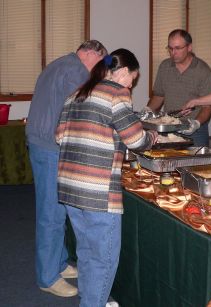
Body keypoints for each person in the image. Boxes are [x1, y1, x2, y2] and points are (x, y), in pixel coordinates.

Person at [56, 49, 157, 307]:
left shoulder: (77, 93)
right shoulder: (117, 93)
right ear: (122, 72)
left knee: (86, 251)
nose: (131, 85)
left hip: (70, 186)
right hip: (98, 190)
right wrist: (151, 138)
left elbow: (59, 136)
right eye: (132, 79)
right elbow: (135, 140)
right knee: (104, 257)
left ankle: (90, 299)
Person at [26, 40, 107, 297]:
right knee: (52, 213)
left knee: (57, 207)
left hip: (41, 143)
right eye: (101, 63)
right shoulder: (77, 71)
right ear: (92, 54)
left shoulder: (59, 63)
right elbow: (84, 108)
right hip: (50, 147)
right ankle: (47, 277)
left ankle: (59, 264)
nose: (99, 70)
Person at [147, 29, 211, 146]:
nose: (173, 52)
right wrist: (147, 111)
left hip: (195, 130)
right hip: (169, 127)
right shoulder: (165, 66)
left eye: (178, 48)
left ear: (189, 47)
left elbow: (207, 107)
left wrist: (196, 123)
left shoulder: (203, 71)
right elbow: (159, 96)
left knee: (196, 163)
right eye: (170, 48)